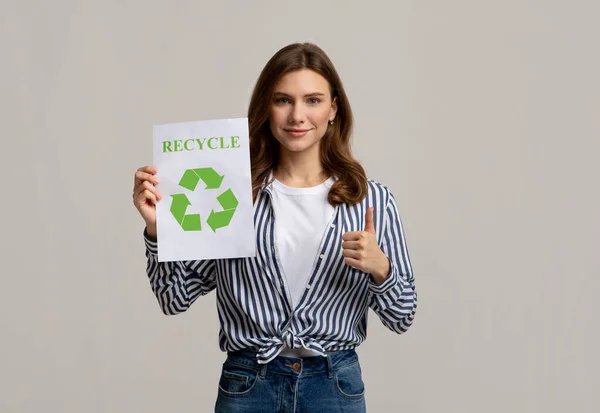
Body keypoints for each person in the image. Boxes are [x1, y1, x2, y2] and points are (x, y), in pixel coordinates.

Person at [132, 42, 417, 413]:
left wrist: (381, 269)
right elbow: (174, 298)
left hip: (334, 388)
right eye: (283, 100)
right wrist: (159, 231)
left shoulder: (370, 201)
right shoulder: (231, 196)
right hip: (250, 387)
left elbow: (402, 316)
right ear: (266, 107)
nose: (298, 115)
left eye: (312, 100)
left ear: (334, 108)